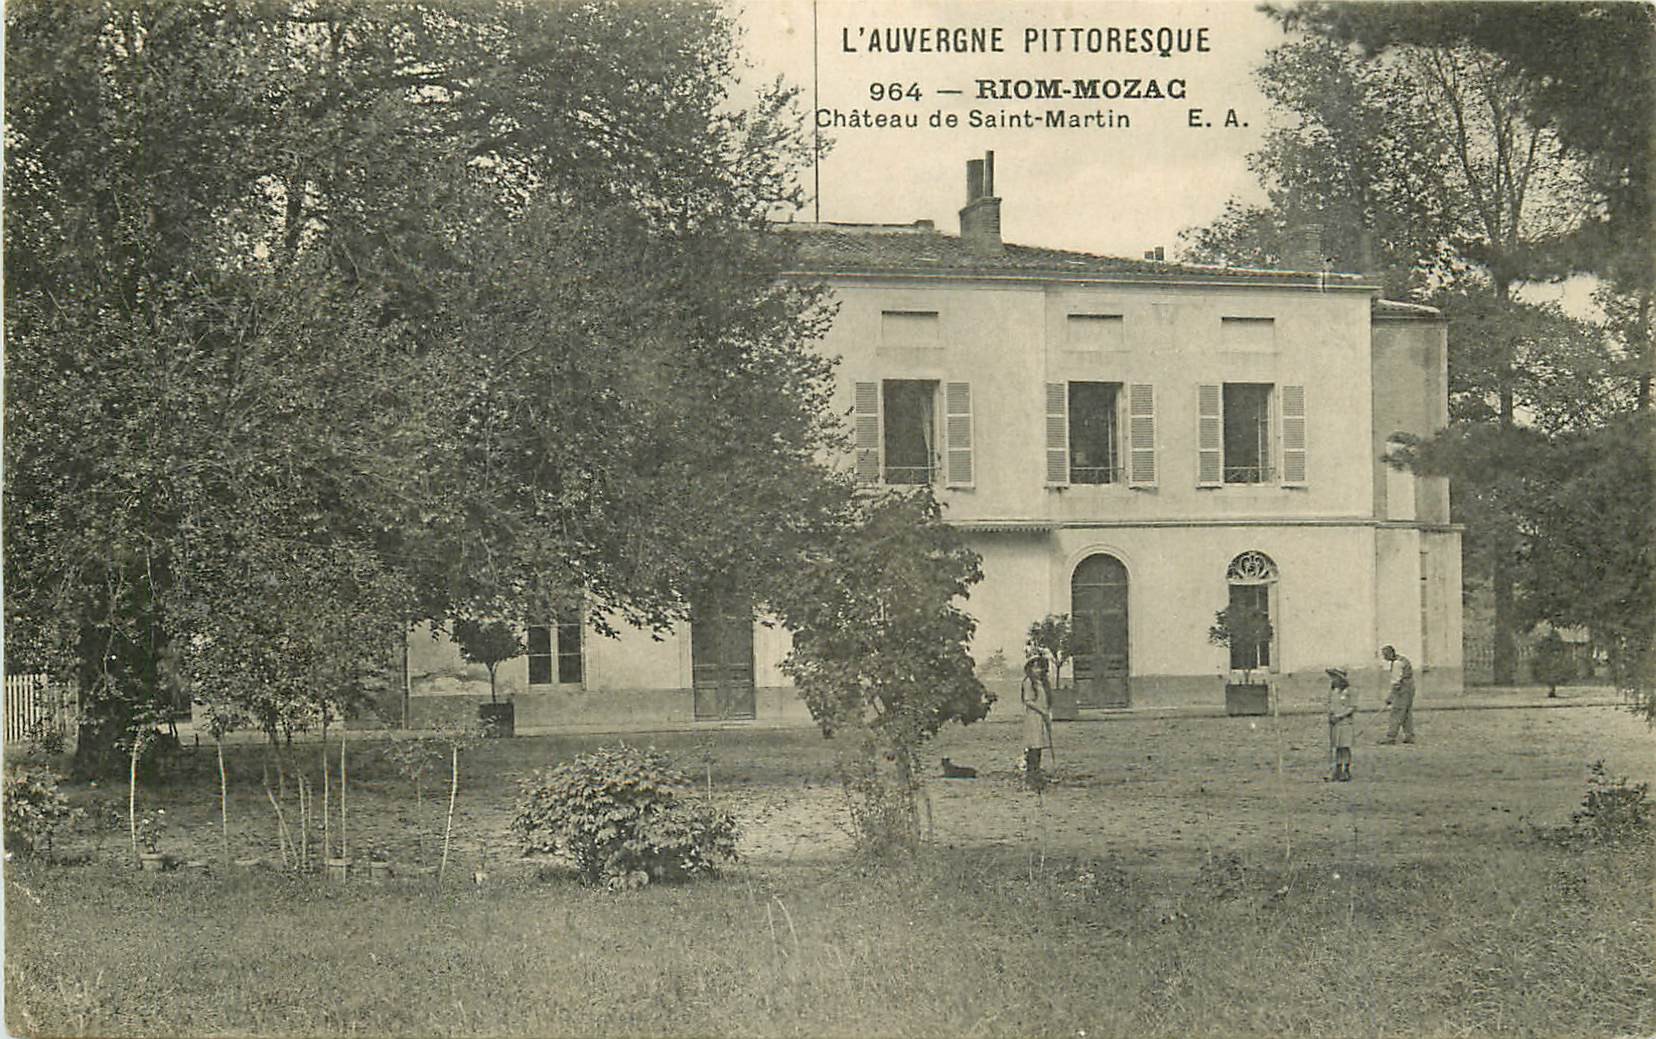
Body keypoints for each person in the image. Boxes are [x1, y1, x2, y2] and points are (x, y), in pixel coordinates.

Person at [1020, 656, 1054, 788]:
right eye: (1034, 667)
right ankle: (1031, 776)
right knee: (1033, 745)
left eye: (1040, 667)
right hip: (1033, 716)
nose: (1037, 670)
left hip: (1042, 717)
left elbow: (1045, 700)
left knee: (1039, 746)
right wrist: (1041, 710)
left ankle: (1037, 774)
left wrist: (1047, 713)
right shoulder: (1028, 682)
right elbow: (1028, 701)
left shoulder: (1043, 683)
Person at [1379, 644, 1416, 744]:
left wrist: (1390, 697)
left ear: (1391, 653)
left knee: (1396, 712)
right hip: (1410, 687)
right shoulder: (1402, 659)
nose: (1384, 657)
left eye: (1385, 655)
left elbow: (1396, 683)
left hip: (1402, 689)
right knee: (1406, 713)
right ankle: (1409, 736)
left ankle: (1390, 737)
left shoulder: (1397, 664)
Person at [1325, 667, 1356, 781]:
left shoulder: (1349, 691)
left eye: (1335, 677)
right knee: (1337, 747)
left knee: (1345, 747)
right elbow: (1330, 705)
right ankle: (1337, 770)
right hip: (1335, 724)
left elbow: (1352, 708)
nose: (1333, 680)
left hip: (1345, 723)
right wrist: (1330, 715)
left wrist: (1340, 716)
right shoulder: (1333, 692)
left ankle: (1346, 770)